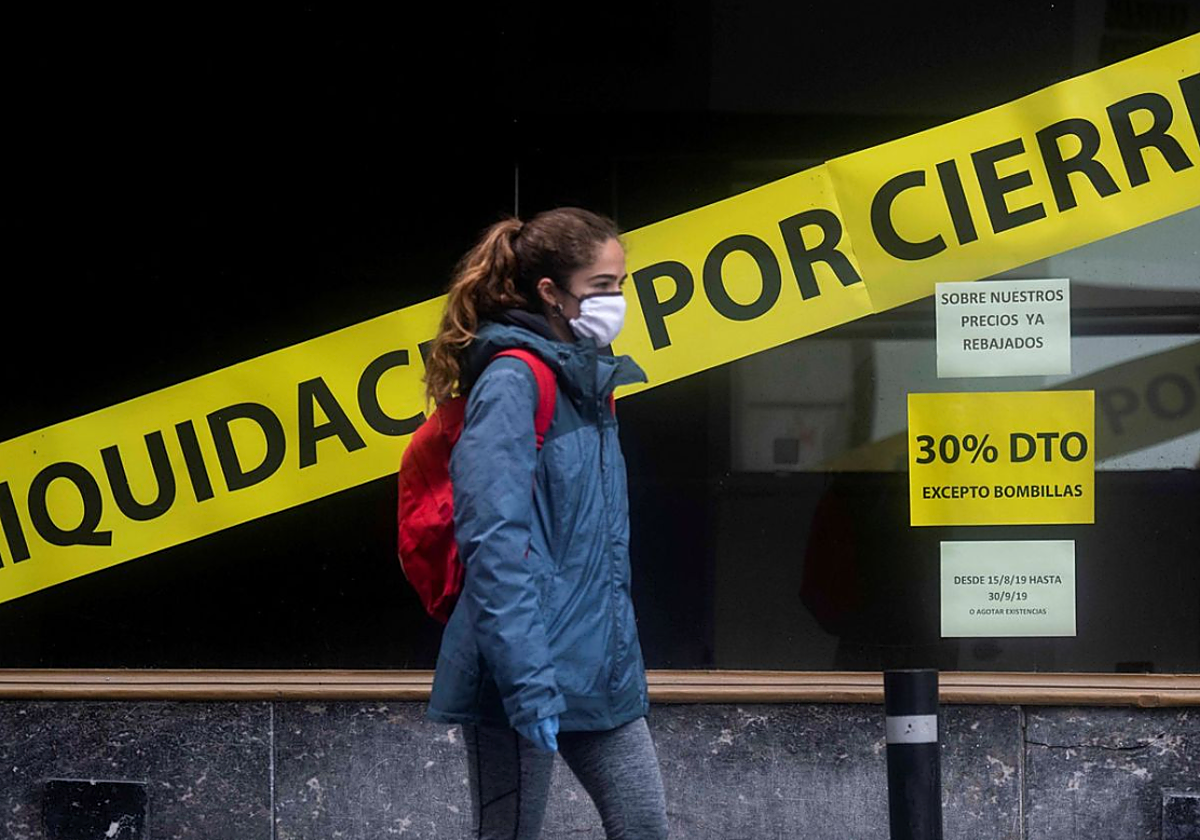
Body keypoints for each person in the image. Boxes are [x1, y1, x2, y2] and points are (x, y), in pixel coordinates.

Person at [422, 207, 671, 840]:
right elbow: (493, 543)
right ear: (551, 292)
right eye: (601, 286)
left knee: (644, 826)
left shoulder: (588, 381)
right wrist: (528, 685)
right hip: (522, 669)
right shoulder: (514, 381)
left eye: (620, 283)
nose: (616, 300)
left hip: (599, 664)